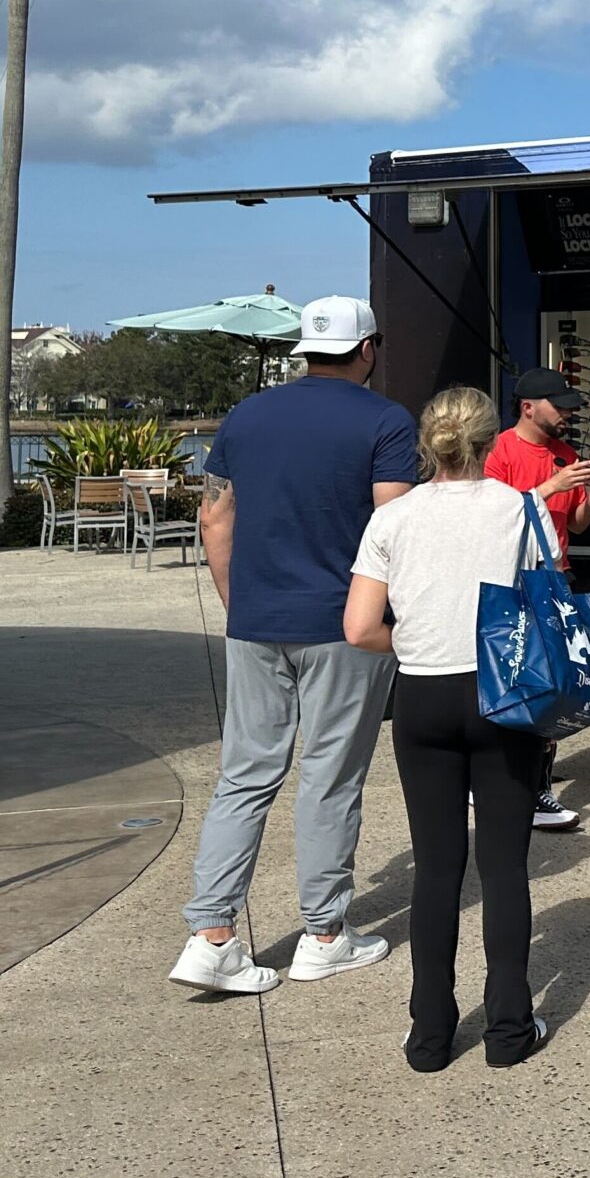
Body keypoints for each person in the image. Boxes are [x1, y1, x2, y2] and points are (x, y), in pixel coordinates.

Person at [169, 296, 416, 997]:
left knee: (245, 776)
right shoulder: (385, 420)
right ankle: (324, 935)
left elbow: (215, 520)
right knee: (330, 777)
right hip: (347, 624)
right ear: (368, 348)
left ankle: (211, 934)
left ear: (303, 349)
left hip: (257, 619)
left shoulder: (248, 415)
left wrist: (239, 602)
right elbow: (395, 527)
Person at [345, 386, 554, 1070]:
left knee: (436, 869)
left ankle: (430, 1035)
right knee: (504, 868)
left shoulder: (393, 518)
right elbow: (546, 606)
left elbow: (359, 628)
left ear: (427, 443)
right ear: (493, 440)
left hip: (424, 695)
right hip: (503, 694)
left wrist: (414, 645)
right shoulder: (523, 509)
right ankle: (508, 1029)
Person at [485, 366, 590, 832]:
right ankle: (519, 786)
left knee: (555, 684)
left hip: (555, 579)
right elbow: (493, 516)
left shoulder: (565, 453)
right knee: (519, 682)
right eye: (560, 407)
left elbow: (575, 524)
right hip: (513, 581)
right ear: (528, 406)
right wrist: (551, 486)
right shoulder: (500, 450)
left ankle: (538, 784)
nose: (567, 416)